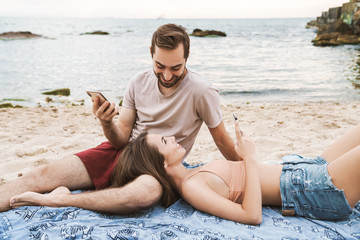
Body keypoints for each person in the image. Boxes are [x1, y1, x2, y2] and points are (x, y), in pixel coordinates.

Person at [1, 23, 241, 213]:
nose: (167, 75)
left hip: (159, 166)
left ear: (187, 57)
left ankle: (62, 199)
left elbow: (221, 140)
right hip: (123, 152)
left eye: (176, 68)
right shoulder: (138, 82)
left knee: (142, 195)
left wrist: (247, 170)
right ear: (151, 53)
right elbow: (120, 139)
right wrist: (106, 122)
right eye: (160, 66)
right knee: (40, 175)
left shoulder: (202, 91)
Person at [15, 120, 359, 224]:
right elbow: (252, 215)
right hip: (315, 190)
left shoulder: (193, 173)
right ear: (160, 162)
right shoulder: (193, 189)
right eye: (165, 140)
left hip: (305, 167)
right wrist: (249, 159)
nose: (175, 138)